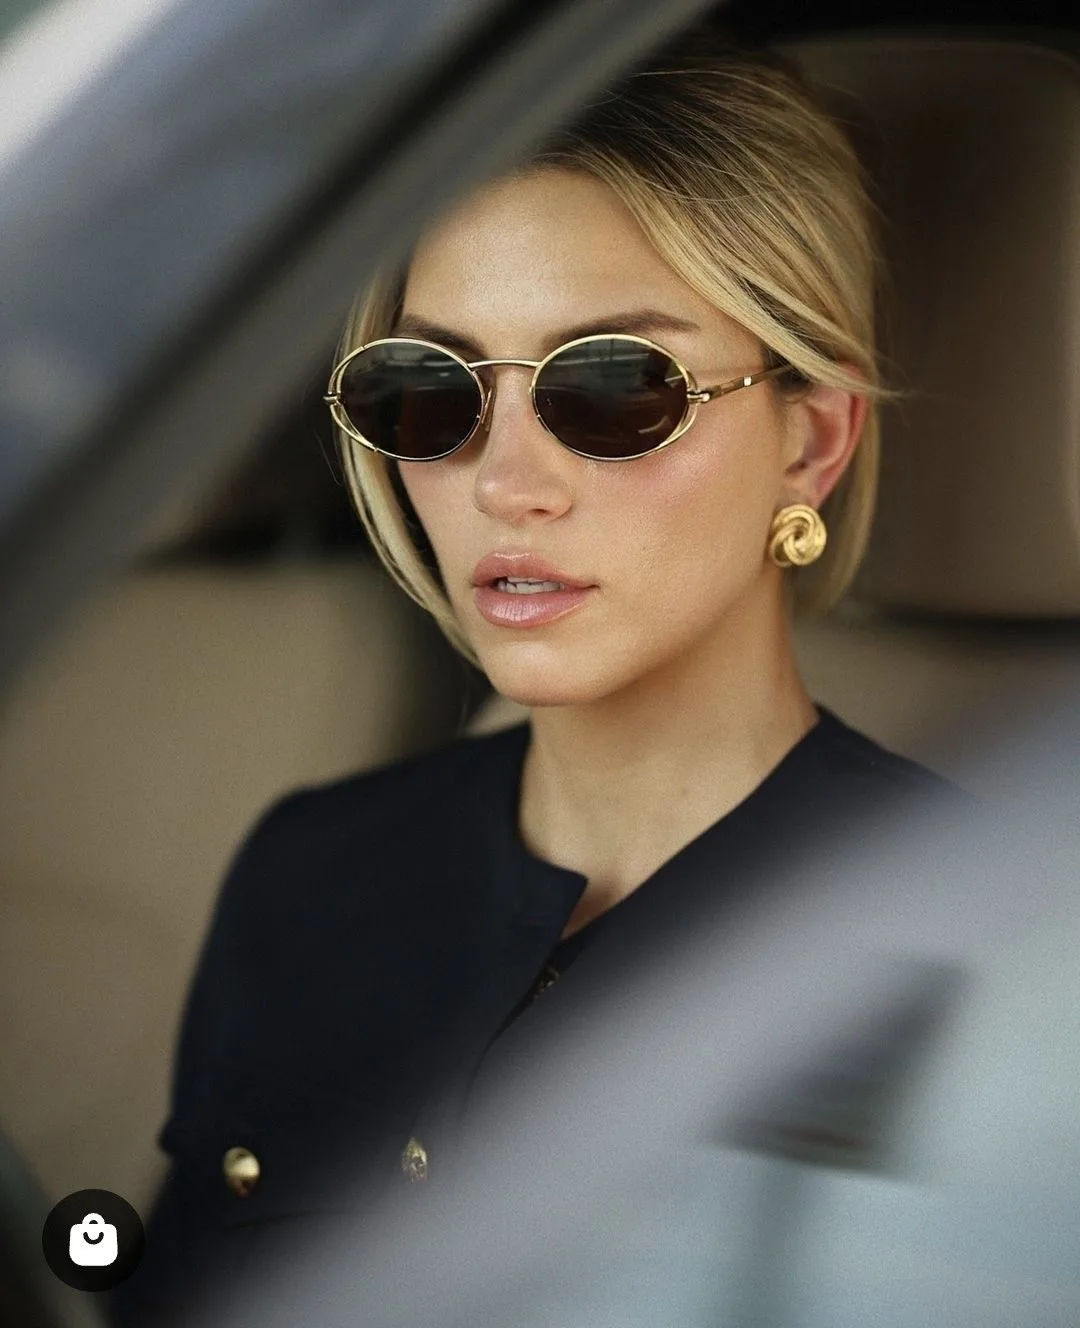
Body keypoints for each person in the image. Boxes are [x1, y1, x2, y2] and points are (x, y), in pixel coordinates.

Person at [111, 30, 958, 1327]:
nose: (505, 485)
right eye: (427, 391)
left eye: (613, 390)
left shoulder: (978, 942)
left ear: (811, 444)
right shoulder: (307, 871)